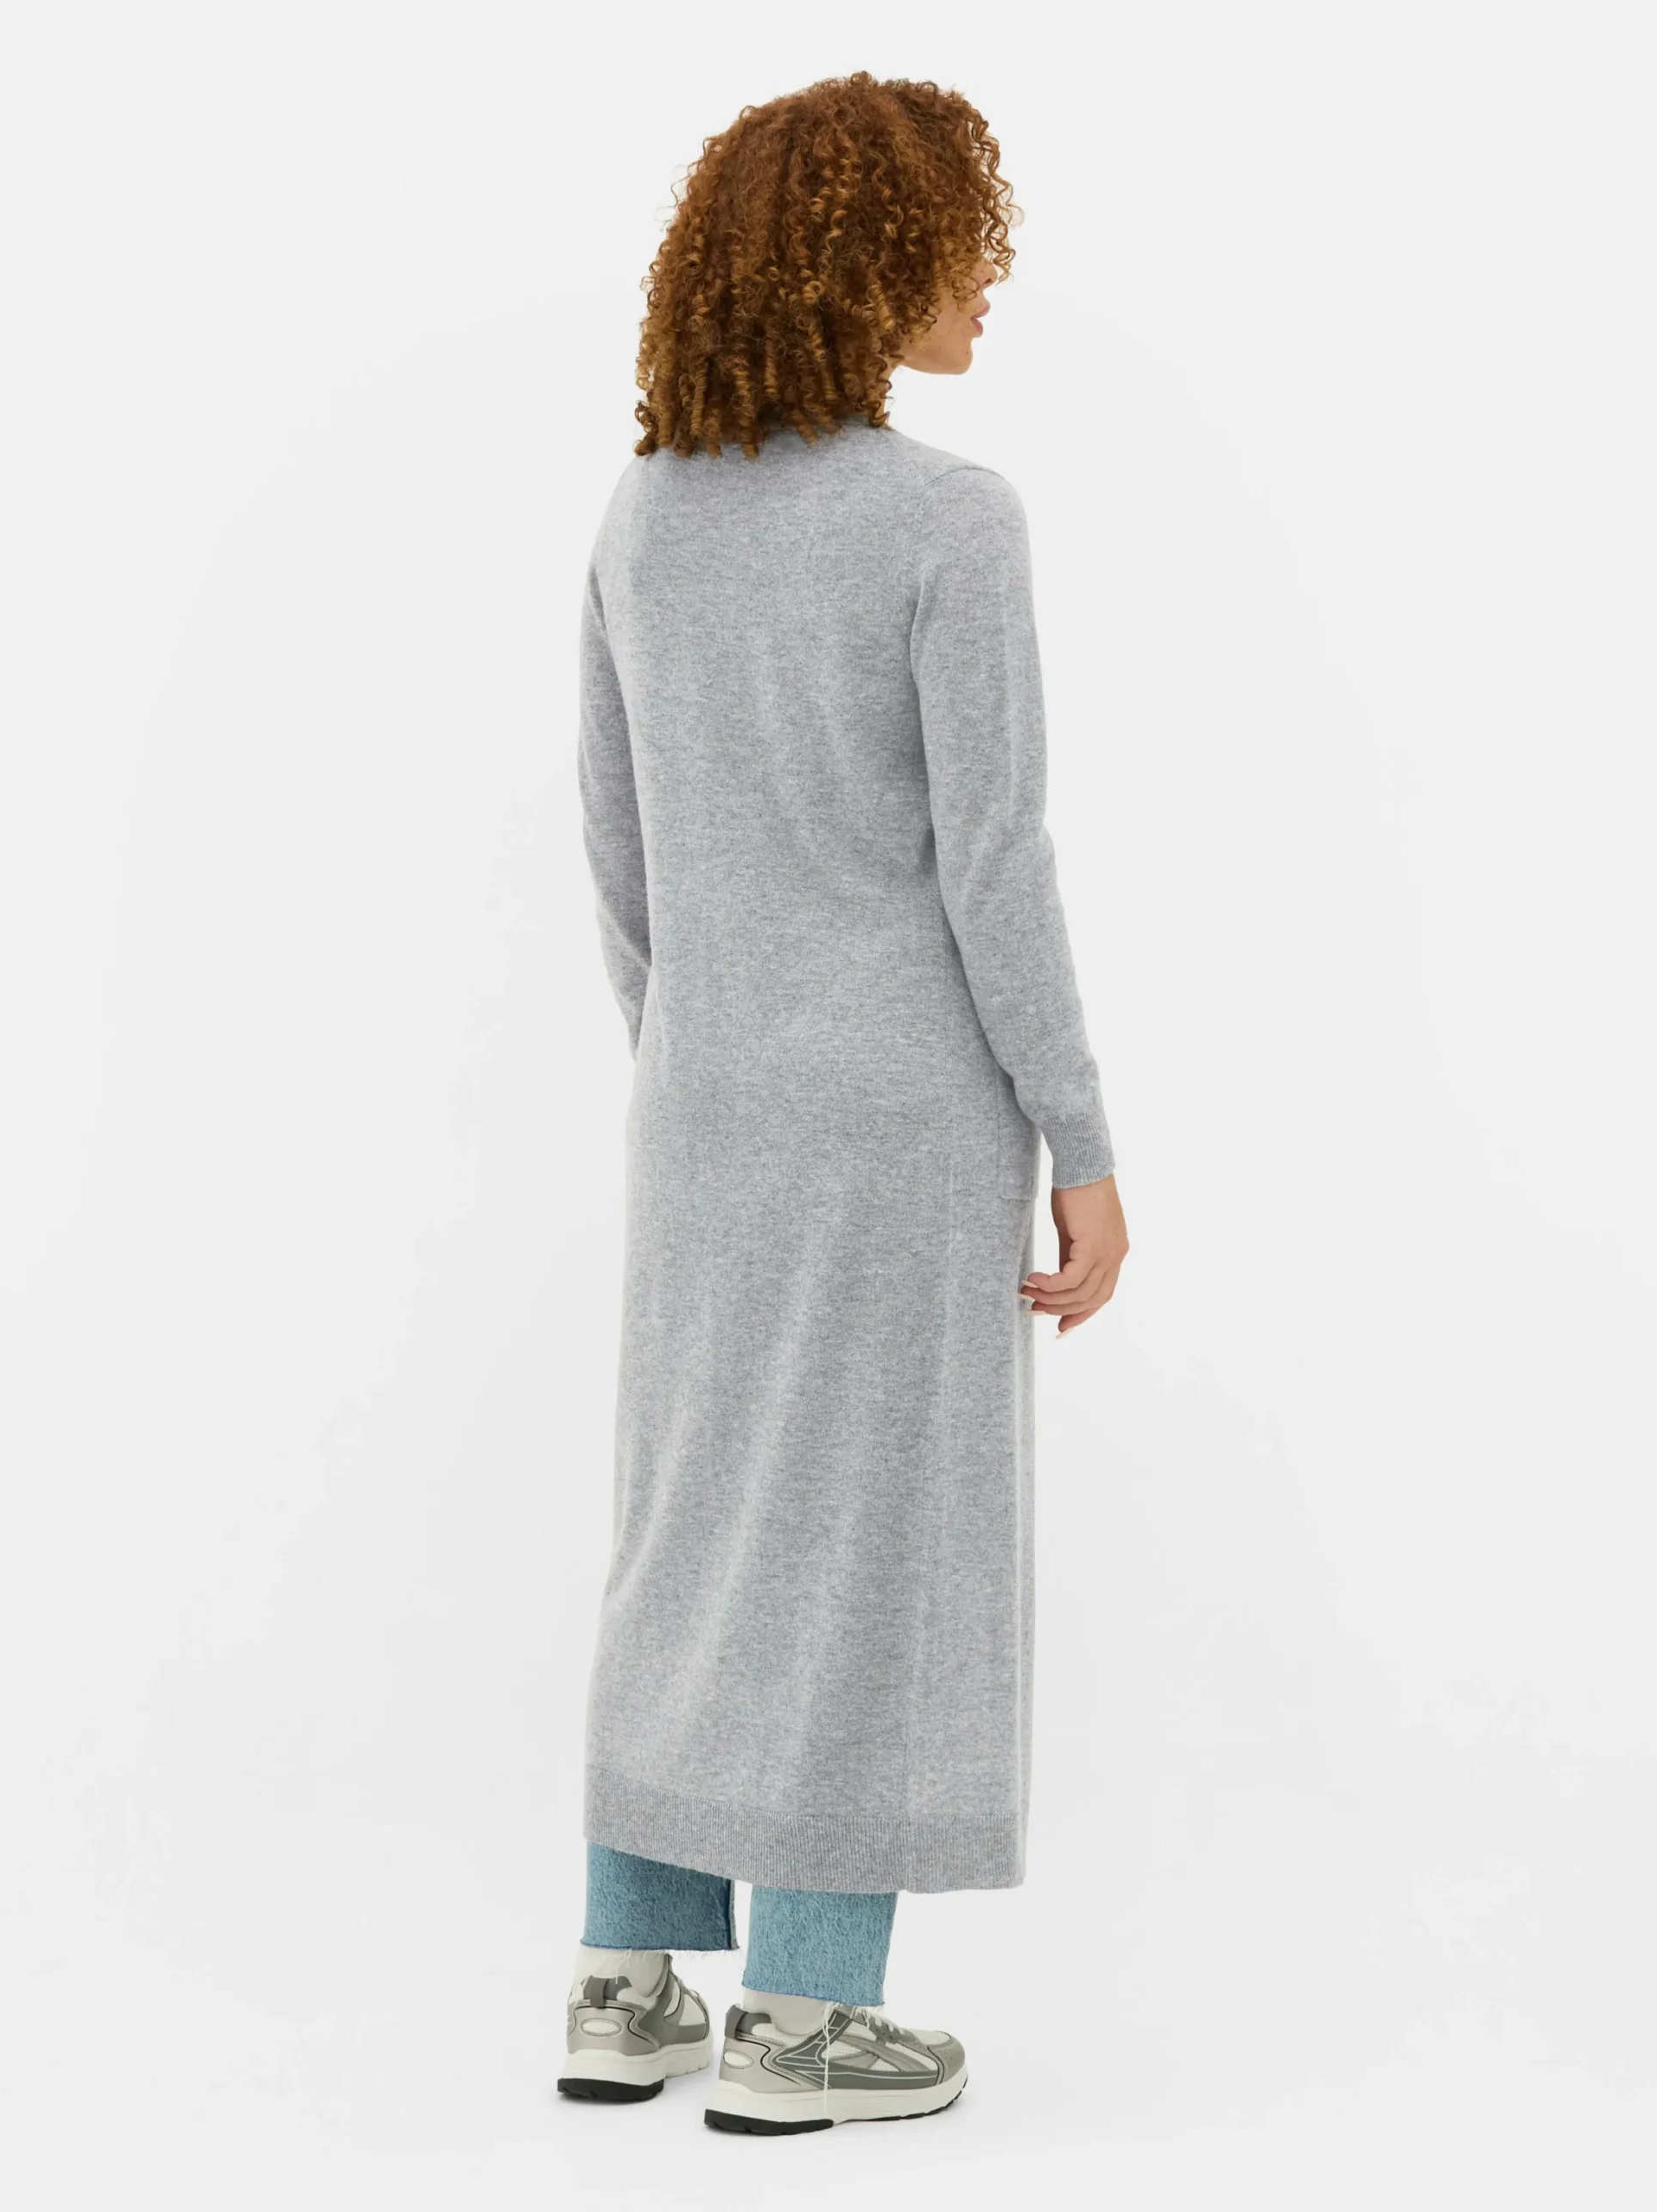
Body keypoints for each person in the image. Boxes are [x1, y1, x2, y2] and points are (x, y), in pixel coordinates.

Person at [562, 70, 1128, 2134]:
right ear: (871, 258)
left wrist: (712, 1049)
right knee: (866, 1541)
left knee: (691, 1521)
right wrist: (1083, 1141)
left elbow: (621, 856)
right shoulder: (950, 520)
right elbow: (999, 860)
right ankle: (804, 2016)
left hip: (701, 1101)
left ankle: (623, 1979)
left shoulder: (646, 516)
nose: (991, 281)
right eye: (965, 241)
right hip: (902, 1115)